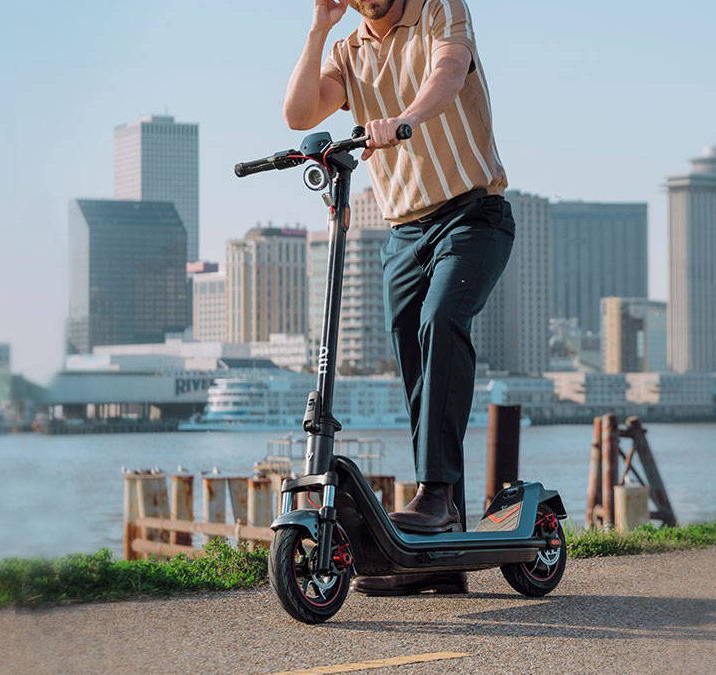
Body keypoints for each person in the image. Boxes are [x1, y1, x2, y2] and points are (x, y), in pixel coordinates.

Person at [284, 0, 513, 595]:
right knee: (413, 368)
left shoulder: (440, 9)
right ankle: (440, 554)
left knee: (441, 322)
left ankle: (435, 498)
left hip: (473, 215)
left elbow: (449, 70)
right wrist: (318, 28)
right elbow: (299, 112)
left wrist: (402, 119)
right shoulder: (348, 50)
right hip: (404, 231)